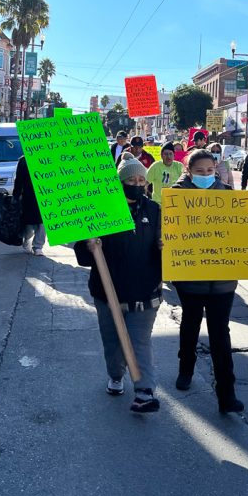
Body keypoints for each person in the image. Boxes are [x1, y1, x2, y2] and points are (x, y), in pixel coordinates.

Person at [74, 153, 162, 413]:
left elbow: (167, 253)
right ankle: (116, 374)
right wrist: (89, 246)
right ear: (120, 182)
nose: (137, 183)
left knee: (139, 342)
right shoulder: (100, 210)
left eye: (140, 179)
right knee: (113, 342)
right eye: (131, 179)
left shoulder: (154, 210)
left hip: (145, 290)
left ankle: (145, 392)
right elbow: (81, 256)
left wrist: (164, 248)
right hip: (108, 291)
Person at [171, 149, 244, 414]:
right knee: (190, 325)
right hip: (190, 278)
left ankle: (227, 395)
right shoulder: (176, 196)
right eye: (199, 172)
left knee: (220, 335)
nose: (205, 176)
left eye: (209, 171)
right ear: (188, 171)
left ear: (216, 170)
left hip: (223, 280)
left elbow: (242, 229)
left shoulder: (227, 194)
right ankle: (185, 369)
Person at [13, 155, 45, 256]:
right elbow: (18, 180)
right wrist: (16, 195)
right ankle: (27, 239)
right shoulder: (23, 161)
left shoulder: (48, 155)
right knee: (29, 223)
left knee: (42, 223)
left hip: (45, 196)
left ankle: (38, 247)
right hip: (29, 197)